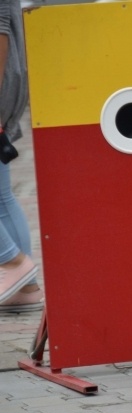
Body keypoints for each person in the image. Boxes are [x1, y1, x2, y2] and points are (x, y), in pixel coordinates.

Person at [0, 0, 42, 313]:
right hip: (10, 75)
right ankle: (25, 288)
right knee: (2, 195)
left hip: (3, 78)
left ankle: (11, 261)